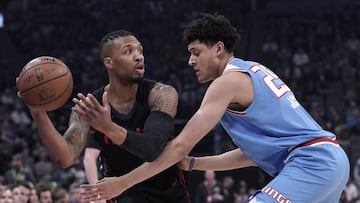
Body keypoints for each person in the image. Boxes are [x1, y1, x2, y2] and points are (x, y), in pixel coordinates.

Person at [80, 13, 350, 203]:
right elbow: (252, 154)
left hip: (311, 162)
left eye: (196, 52)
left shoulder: (226, 83)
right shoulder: (249, 70)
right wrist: (195, 164)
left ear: (218, 49)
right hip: (327, 160)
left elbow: (178, 146)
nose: (190, 61)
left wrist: (122, 183)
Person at [17, 30, 189, 203]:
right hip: (121, 193)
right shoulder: (89, 106)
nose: (139, 57)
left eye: (140, 50)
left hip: (169, 193)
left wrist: (108, 128)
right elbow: (66, 157)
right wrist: (38, 112)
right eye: (128, 51)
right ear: (109, 62)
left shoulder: (162, 94)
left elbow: (153, 148)